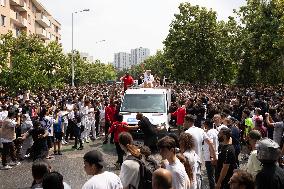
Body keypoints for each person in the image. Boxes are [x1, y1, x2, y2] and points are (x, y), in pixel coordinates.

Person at [202, 120, 218, 189]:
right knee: (214, 175)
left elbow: (211, 144)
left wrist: (212, 156)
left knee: (211, 176)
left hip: (210, 157)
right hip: (215, 154)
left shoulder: (209, 133)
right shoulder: (215, 131)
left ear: (206, 125)